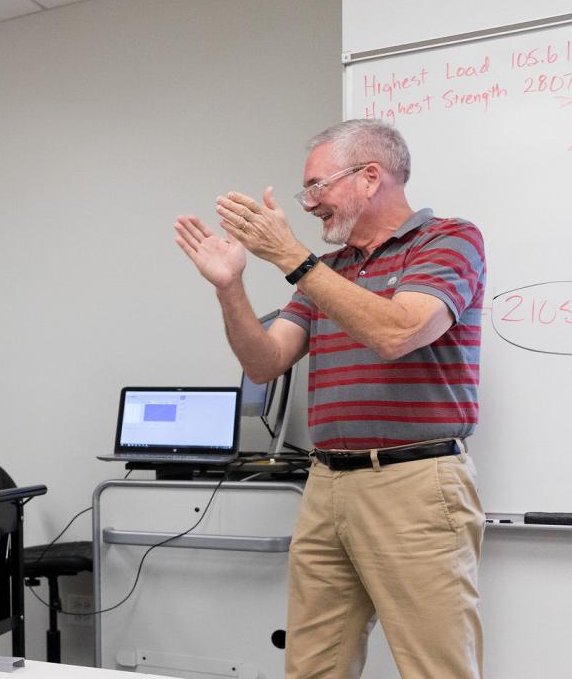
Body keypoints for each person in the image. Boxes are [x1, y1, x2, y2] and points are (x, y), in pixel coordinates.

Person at [173, 119, 486, 679]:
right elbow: (264, 362)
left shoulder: (451, 240)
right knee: (313, 667)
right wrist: (230, 287)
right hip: (327, 484)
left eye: (318, 185)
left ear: (370, 177)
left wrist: (292, 256)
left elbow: (398, 332)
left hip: (413, 483)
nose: (309, 203)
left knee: (437, 670)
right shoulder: (329, 271)